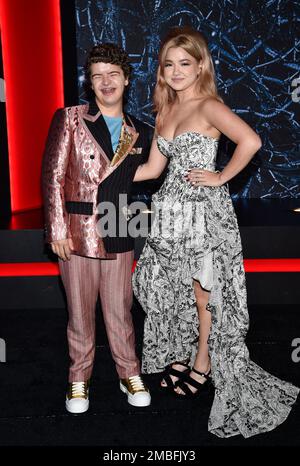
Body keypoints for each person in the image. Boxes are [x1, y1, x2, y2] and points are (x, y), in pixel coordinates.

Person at [132, 26, 299, 438]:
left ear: (200, 65)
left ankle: (203, 363)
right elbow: (153, 169)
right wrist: (103, 176)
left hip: (203, 213)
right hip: (169, 212)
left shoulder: (208, 107)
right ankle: (183, 352)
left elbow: (251, 141)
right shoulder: (163, 111)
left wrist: (221, 176)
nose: (175, 71)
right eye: (168, 64)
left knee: (206, 290)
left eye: (184, 63)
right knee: (169, 286)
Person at [42, 43, 152, 413]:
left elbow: (147, 174)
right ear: (89, 83)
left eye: (113, 74)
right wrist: (56, 229)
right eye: (97, 75)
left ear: (126, 79)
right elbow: (53, 176)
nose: (106, 82)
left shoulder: (139, 130)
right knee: (79, 312)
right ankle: (78, 379)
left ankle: (129, 372)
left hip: (119, 226)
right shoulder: (70, 118)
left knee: (121, 310)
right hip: (75, 232)